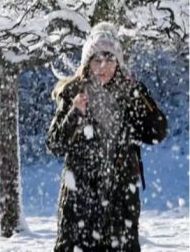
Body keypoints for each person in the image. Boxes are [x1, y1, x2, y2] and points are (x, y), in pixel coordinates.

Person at [47, 22, 168, 252]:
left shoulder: (130, 92)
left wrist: (139, 95)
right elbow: (54, 143)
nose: (103, 65)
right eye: (96, 59)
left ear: (118, 62)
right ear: (86, 62)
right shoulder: (73, 91)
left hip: (121, 202)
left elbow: (157, 132)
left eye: (109, 58)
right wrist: (74, 114)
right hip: (79, 203)